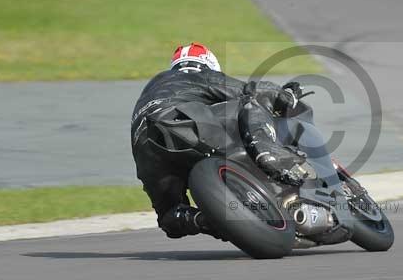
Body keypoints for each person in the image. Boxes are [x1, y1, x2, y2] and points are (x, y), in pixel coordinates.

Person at [131, 42, 307, 239]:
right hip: (183, 122)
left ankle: (204, 220)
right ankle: (268, 154)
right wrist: (285, 95)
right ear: (208, 64)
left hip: (144, 148)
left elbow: (169, 225)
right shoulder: (194, 74)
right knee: (250, 102)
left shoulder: (153, 88)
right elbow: (248, 90)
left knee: (169, 216)